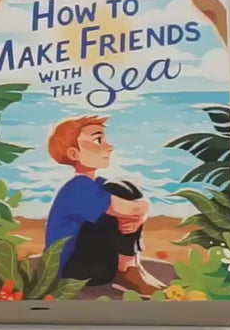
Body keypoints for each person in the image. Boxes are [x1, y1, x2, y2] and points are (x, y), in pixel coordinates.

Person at [43, 115, 164, 295]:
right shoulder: (78, 188)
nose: (110, 147)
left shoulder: (98, 184)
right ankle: (126, 270)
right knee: (121, 191)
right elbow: (130, 209)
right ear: (74, 154)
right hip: (73, 272)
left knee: (123, 188)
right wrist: (142, 210)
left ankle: (130, 269)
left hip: (94, 265)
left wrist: (138, 218)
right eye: (98, 140)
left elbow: (130, 209)